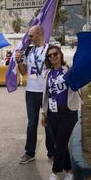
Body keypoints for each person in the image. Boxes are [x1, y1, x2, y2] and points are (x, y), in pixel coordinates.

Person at [15, 25, 55, 164]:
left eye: (31, 36)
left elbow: (57, 67)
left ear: (40, 34)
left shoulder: (51, 50)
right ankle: (29, 152)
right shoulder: (29, 51)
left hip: (47, 91)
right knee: (32, 123)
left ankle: (52, 153)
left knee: (49, 123)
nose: (29, 38)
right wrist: (19, 61)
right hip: (31, 92)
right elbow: (24, 72)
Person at [41, 45, 80, 180]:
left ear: (60, 54)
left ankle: (54, 173)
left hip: (68, 112)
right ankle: (69, 172)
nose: (53, 57)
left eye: (55, 54)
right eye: (50, 55)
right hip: (53, 113)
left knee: (61, 143)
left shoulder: (68, 70)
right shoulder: (48, 74)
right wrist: (44, 114)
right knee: (59, 144)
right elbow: (46, 95)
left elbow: (77, 85)